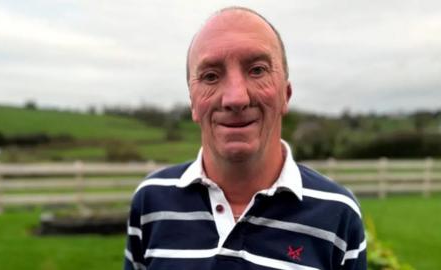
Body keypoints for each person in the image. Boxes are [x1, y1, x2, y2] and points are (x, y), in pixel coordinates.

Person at [124, 6, 366, 270]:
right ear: (193, 103)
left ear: (285, 94)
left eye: (257, 70)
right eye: (211, 76)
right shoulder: (151, 201)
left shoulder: (338, 214)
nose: (236, 98)